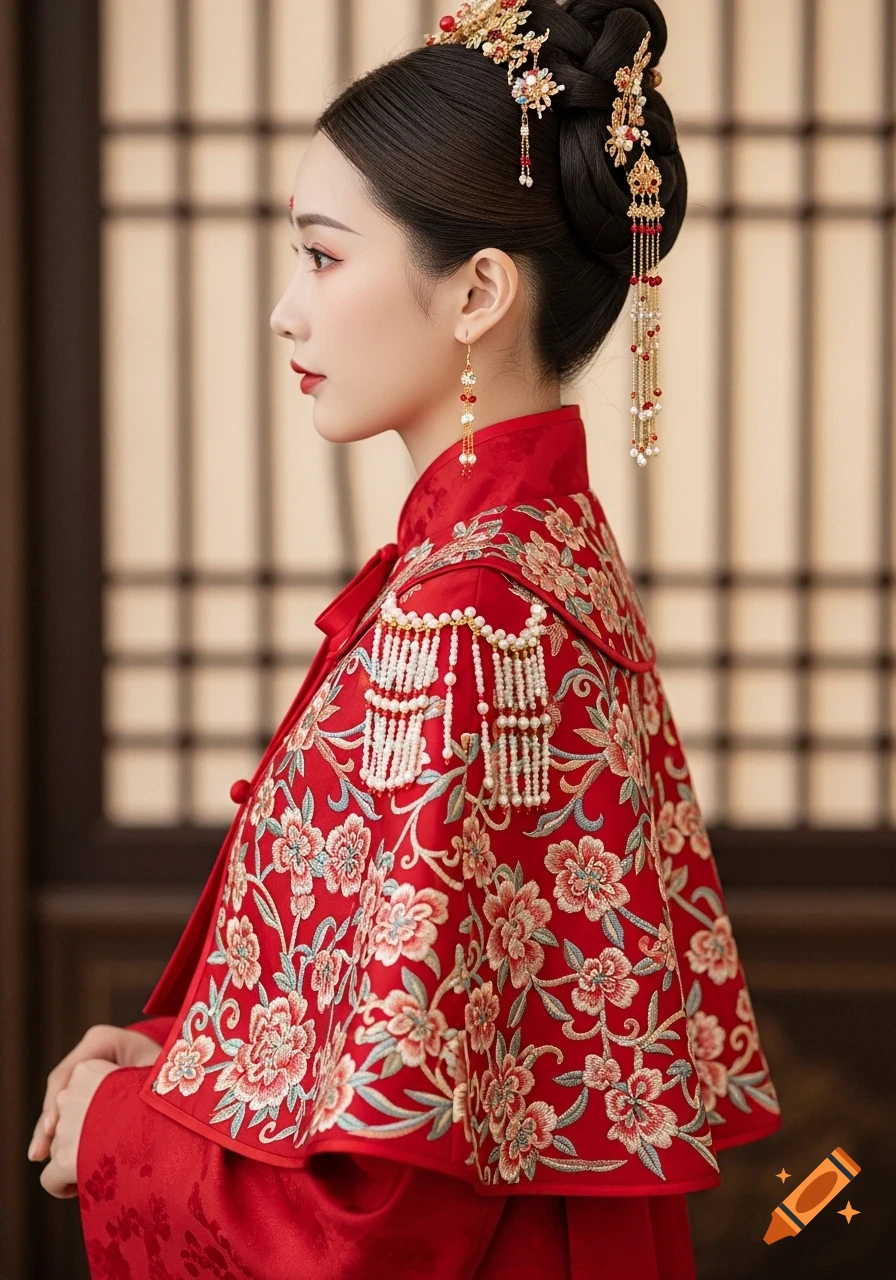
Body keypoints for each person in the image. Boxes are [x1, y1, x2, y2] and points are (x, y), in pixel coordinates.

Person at [29, 3, 782, 1275]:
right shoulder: (540, 554)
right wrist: (181, 1060)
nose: (285, 310)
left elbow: (371, 1209)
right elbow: (431, 1027)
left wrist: (113, 1125)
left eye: (322, 257)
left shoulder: (465, 614)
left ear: (479, 290)